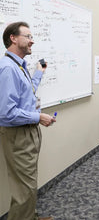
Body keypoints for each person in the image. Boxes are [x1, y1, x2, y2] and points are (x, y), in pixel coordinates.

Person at [0, 22, 56, 220]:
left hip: (27, 132)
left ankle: (29, 217)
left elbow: (26, 93)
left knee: (28, 183)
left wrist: (39, 74)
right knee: (24, 188)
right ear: (13, 38)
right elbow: (6, 113)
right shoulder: (8, 68)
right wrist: (38, 117)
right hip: (18, 134)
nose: (32, 40)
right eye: (28, 36)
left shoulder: (18, 66)